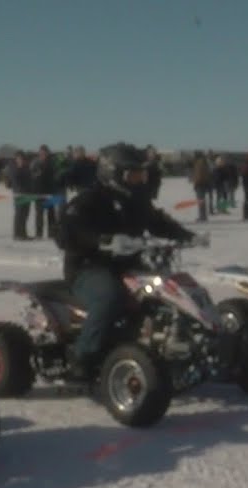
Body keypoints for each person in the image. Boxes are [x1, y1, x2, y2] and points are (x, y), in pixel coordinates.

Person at [56, 143, 206, 383]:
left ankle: (174, 343)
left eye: (141, 174)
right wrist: (103, 241)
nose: (138, 180)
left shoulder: (136, 201)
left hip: (128, 266)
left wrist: (187, 236)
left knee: (166, 291)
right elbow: (66, 232)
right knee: (109, 297)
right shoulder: (88, 200)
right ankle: (82, 357)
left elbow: (159, 222)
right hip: (88, 268)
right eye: (132, 175)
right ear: (112, 173)